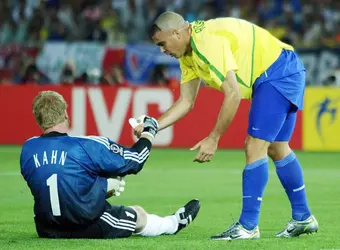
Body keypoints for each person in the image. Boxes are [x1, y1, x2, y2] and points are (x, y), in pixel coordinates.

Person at [133, 12, 318, 240]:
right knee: (277, 147)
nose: (162, 50)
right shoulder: (188, 55)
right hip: (284, 68)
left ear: (177, 32)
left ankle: (248, 226)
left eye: (162, 43)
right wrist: (153, 126)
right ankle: (303, 217)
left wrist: (213, 139)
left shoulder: (207, 42)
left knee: (254, 147)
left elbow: (233, 94)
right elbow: (186, 101)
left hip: (277, 72)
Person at [20, 90, 200, 239]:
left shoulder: (27, 150)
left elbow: (58, 179)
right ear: (66, 113)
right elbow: (135, 161)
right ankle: (173, 224)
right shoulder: (87, 145)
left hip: (47, 229)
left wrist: (100, 187)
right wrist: (149, 132)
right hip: (86, 225)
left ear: (38, 119)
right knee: (138, 214)